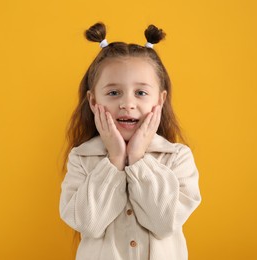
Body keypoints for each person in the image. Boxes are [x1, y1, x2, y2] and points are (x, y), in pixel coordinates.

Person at [59, 22, 202, 260]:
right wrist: (115, 160)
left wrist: (137, 158)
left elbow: (163, 223)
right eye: (113, 93)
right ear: (94, 101)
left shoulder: (177, 157)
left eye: (141, 93)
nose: (127, 103)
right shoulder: (81, 158)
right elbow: (87, 223)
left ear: (161, 99)